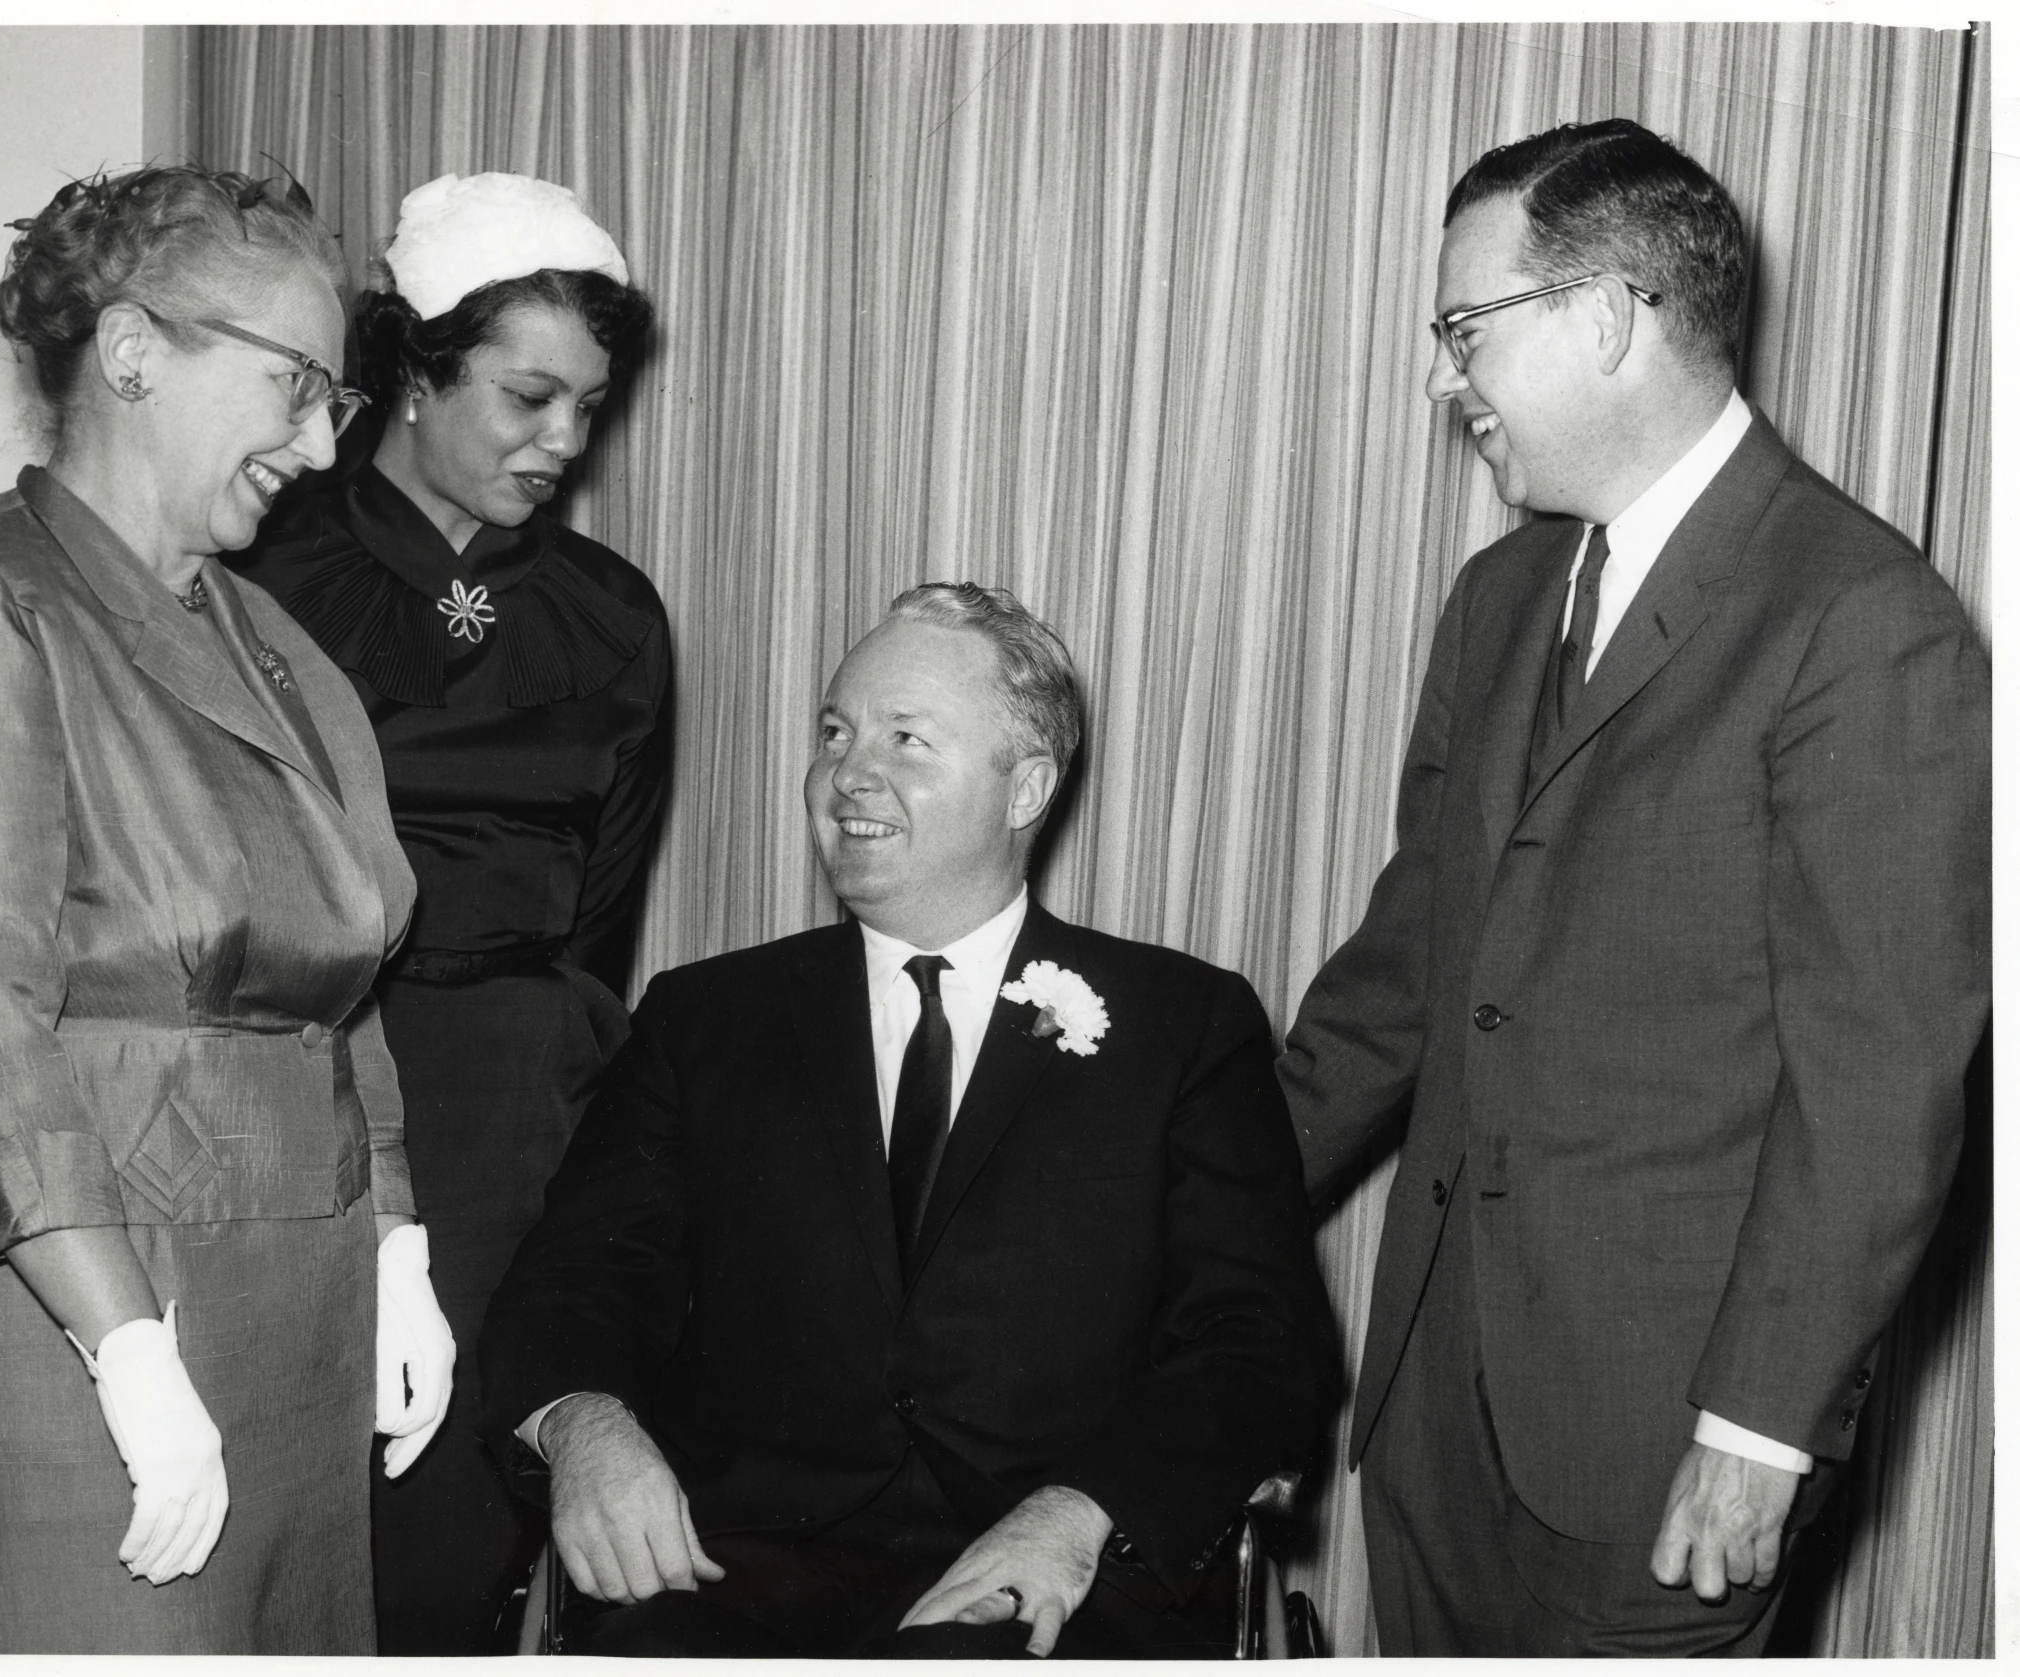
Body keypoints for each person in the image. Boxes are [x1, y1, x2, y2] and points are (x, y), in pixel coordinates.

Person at [1276, 119, 1989, 1655]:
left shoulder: (1863, 622)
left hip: (1660, 1457)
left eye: (1465, 330)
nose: (1441, 378)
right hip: (1430, 1413)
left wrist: (1760, 1432)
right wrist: (1204, 1206)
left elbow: (1878, 1088)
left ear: (1606, 318)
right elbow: (1409, 972)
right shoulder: (1500, 596)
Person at [479, 582, 1336, 1658]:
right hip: (734, 1566)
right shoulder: (706, 1017)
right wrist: (586, 1429)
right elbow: (574, 1280)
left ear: (1025, 786)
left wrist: (1079, 1518)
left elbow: (1254, 1344)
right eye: (835, 732)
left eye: (906, 739)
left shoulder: (1185, 1025)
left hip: (1053, 1580)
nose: (851, 775)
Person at [0, 165, 456, 1655]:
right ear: (132, 354)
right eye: (297, 385)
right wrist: (121, 1341)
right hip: (70, 1303)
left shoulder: (283, 652)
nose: (319, 445)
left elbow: (338, 990)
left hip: (288, 1304)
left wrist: (393, 1246)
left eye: (339, 404)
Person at [229, 171, 669, 1654]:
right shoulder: (256, 566)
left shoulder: (615, 616)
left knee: (447, 1532)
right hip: (288, 1084)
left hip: (505, 1114)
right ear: (412, 370)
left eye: (589, 407)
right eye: (528, 396)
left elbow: (602, 909)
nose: (566, 443)